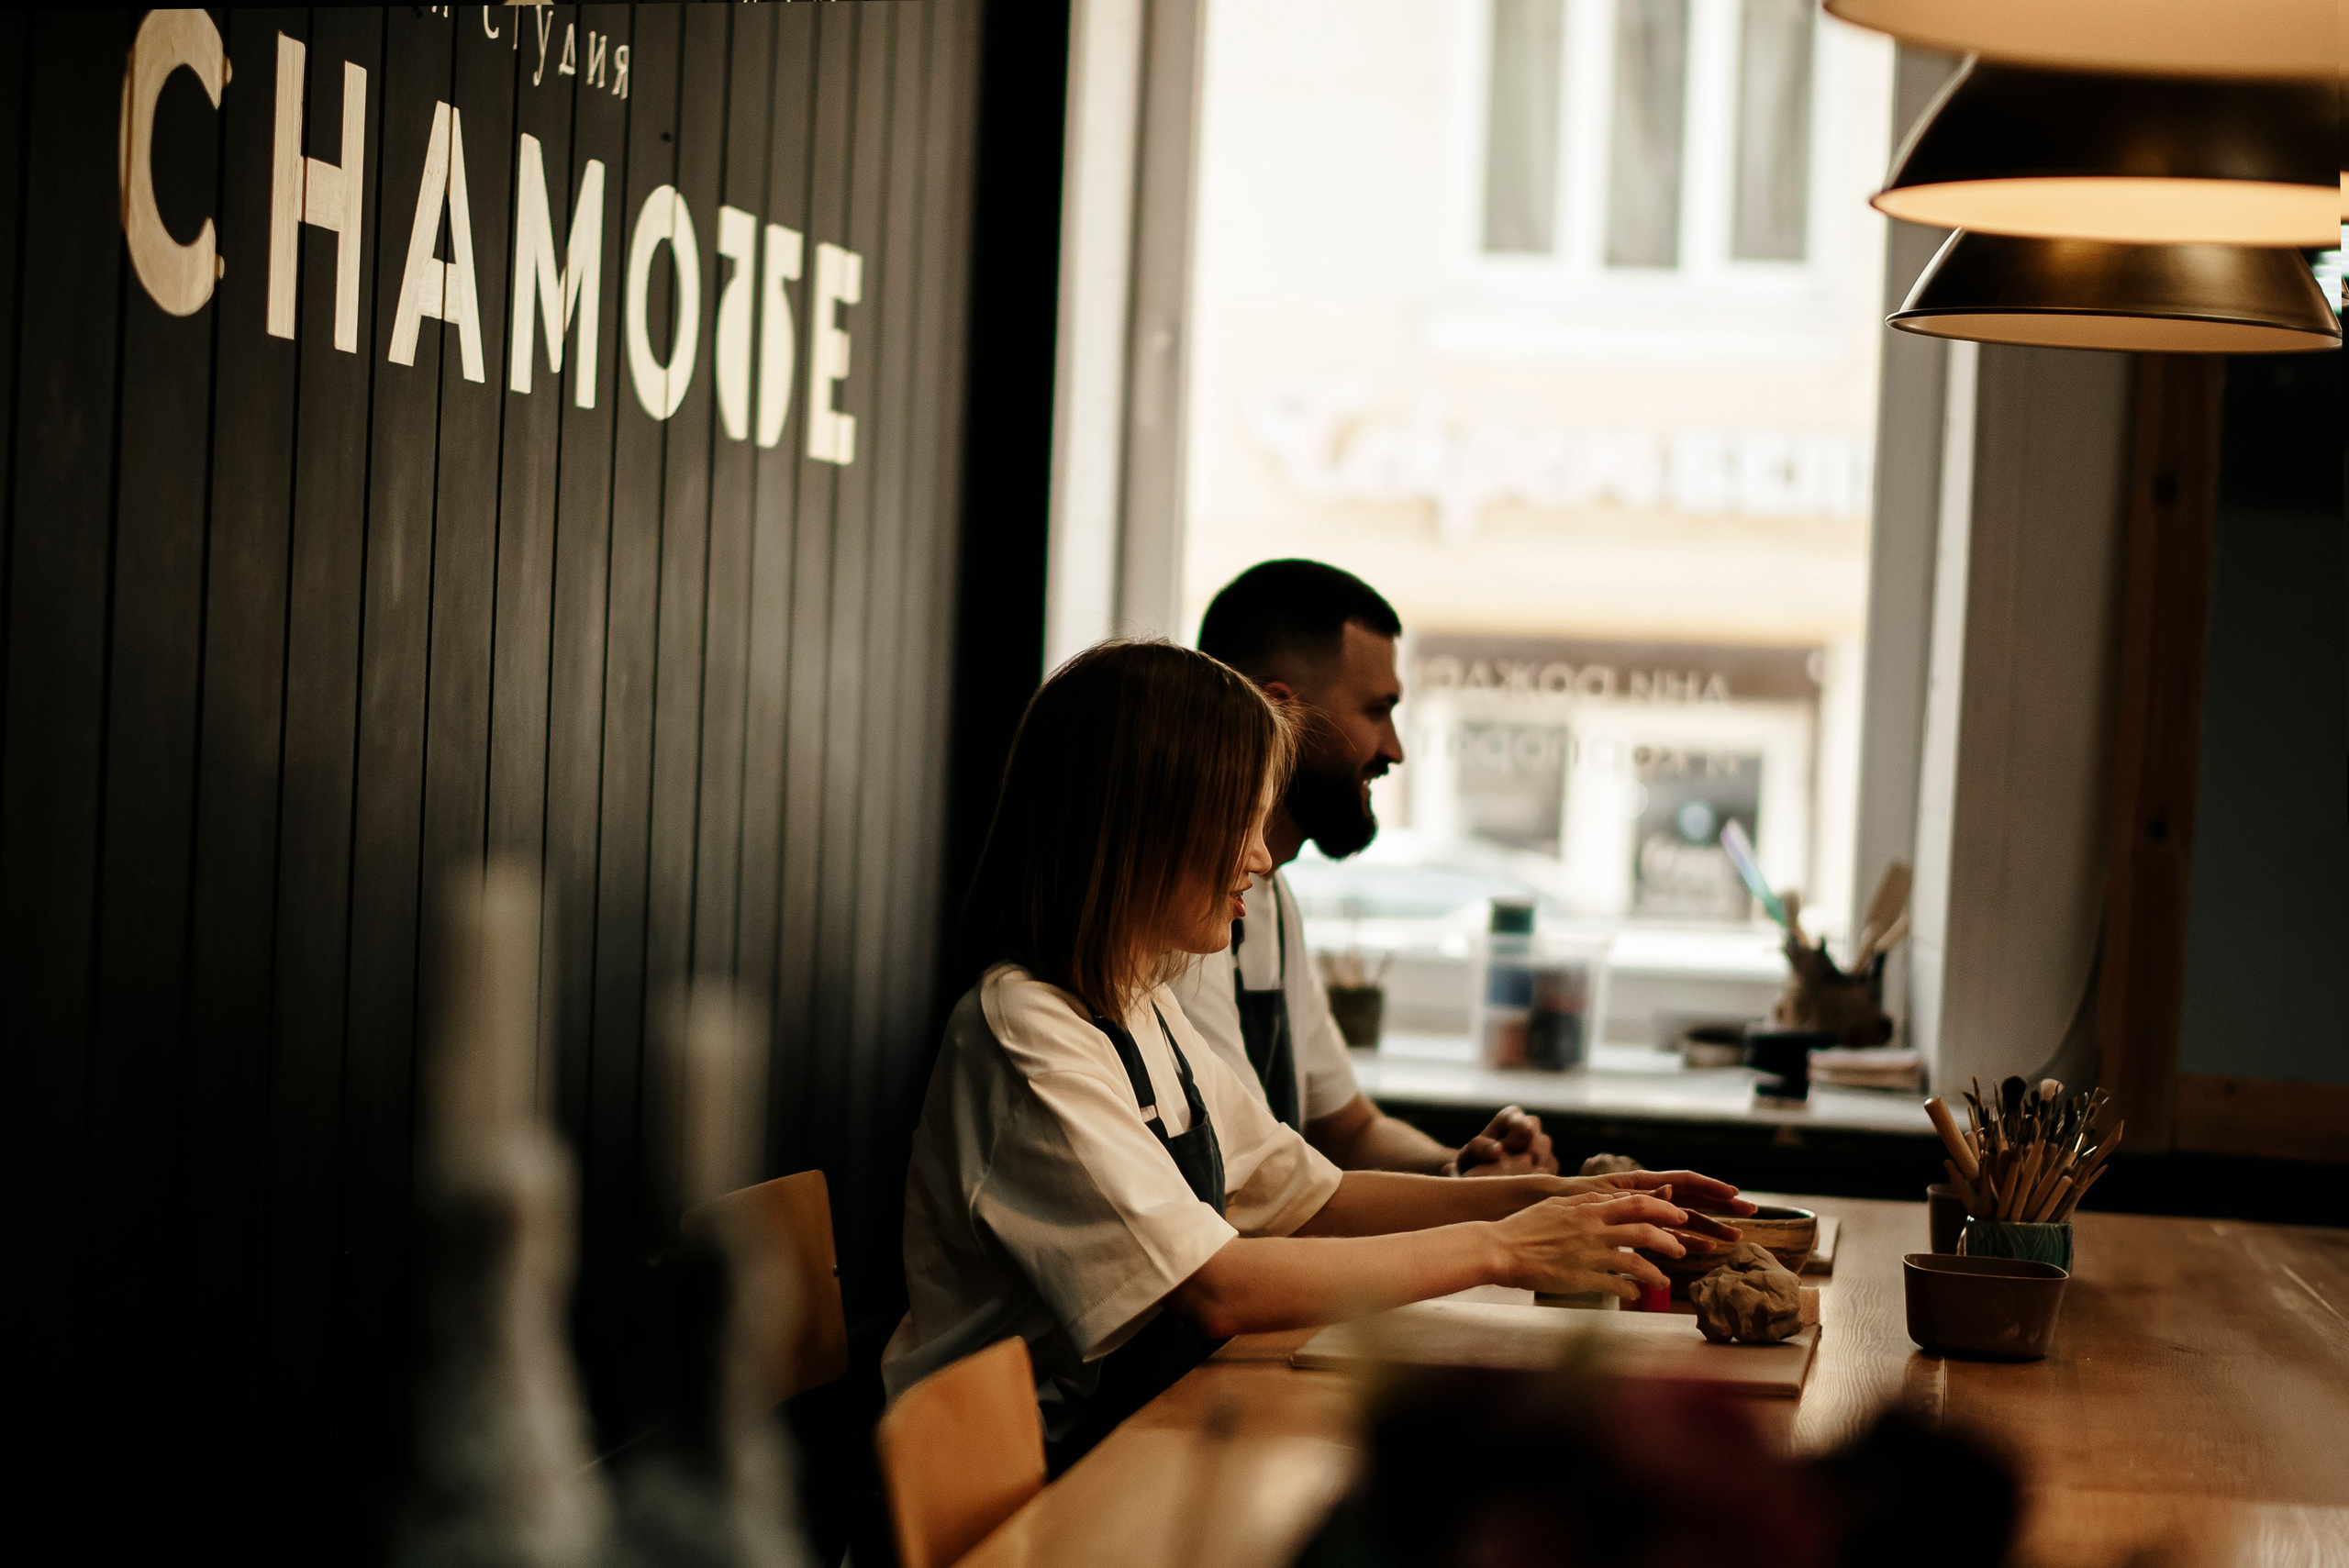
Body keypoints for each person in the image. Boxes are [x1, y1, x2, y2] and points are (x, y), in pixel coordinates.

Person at [883, 640, 1751, 1469]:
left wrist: (1568, 1197)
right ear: (1142, 826)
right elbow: (1217, 1285)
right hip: (1014, 1493)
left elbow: (1309, 1199)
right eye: (1241, 822)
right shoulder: (1025, 1030)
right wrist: (1505, 1246)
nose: (1261, 856)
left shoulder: (1141, 1007)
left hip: (1123, 1438)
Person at [1170, 560, 1553, 1176]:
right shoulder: (1181, 916)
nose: (1394, 748)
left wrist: (1461, 1171)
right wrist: (1482, 1213)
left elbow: (1348, 1130)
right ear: (1280, 716)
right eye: (1377, 710)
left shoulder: (1267, 899)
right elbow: (1260, 1185)